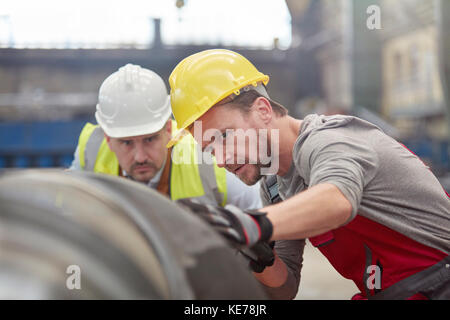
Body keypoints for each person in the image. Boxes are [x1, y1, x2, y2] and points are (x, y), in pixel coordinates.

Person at [167, 49, 450, 300]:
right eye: (210, 148)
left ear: (263, 110)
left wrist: (246, 223)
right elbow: (286, 288)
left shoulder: (329, 140)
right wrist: (260, 259)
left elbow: (337, 200)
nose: (222, 159)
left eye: (225, 136)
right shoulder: (274, 186)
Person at [69, 63, 262, 210]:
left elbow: (263, 218)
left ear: (169, 129)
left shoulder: (207, 155)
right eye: (127, 143)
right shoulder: (91, 150)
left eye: (150, 139)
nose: (140, 156)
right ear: (108, 139)